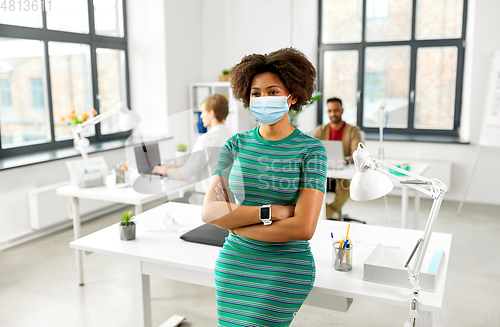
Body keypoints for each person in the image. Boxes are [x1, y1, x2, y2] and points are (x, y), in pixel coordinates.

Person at [201, 48, 327, 327]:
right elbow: (210, 212)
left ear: (292, 96)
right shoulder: (235, 144)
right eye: (255, 93)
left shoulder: (311, 150)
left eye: (272, 92)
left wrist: (236, 224)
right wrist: (272, 212)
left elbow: (303, 228)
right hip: (234, 265)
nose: (262, 99)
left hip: (284, 269)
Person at [152, 94, 233, 194]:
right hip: (227, 196)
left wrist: (164, 170)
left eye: (203, 112)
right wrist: (174, 167)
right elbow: (203, 165)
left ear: (211, 113)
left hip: (208, 197)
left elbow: (184, 174)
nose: (201, 115)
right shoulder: (232, 136)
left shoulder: (206, 140)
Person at [313, 97, 361, 220]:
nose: (333, 114)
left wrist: (346, 159)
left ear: (342, 110)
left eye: (336, 110)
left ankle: (330, 213)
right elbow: (311, 150)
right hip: (324, 171)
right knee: (309, 191)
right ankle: (334, 214)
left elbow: (357, 153)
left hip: (342, 173)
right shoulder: (320, 130)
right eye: (330, 111)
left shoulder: (352, 130)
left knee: (345, 191)